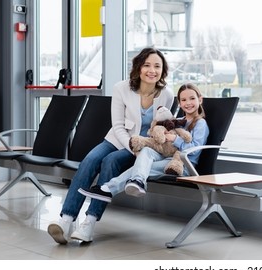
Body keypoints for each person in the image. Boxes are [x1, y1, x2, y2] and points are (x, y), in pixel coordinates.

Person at [47, 47, 175, 244]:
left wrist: (142, 148)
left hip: (145, 146)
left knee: (110, 162)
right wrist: (131, 145)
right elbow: (117, 125)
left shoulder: (167, 94)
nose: (152, 70)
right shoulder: (121, 88)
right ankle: (66, 219)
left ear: (163, 70)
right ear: (139, 67)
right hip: (118, 139)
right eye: (147, 65)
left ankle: (89, 222)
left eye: (157, 66)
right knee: (90, 160)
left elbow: (164, 125)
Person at [79, 83, 208, 203]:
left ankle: (109, 188)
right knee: (146, 151)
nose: (188, 103)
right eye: (184, 100)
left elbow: (195, 148)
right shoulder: (177, 121)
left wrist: (175, 139)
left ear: (200, 100)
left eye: (192, 99)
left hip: (182, 165)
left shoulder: (200, 123)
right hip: (166, 156)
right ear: (179, 103)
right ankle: (136, 181)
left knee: (144, 167)